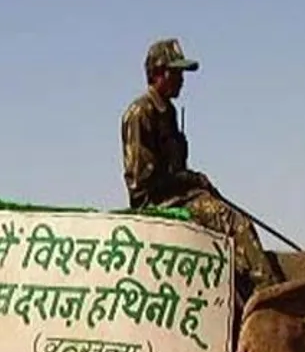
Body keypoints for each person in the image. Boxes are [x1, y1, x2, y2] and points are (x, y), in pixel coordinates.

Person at [120, 37, 283, 299]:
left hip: (180, 195)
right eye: (176, 73)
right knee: (233, 221)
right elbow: (142, 183)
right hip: (157, 202)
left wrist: (194, 182)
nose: (181, 80)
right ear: (159, 73)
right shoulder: (141, 113)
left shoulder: (168, 112)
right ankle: (271, 292)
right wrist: (191, 180)